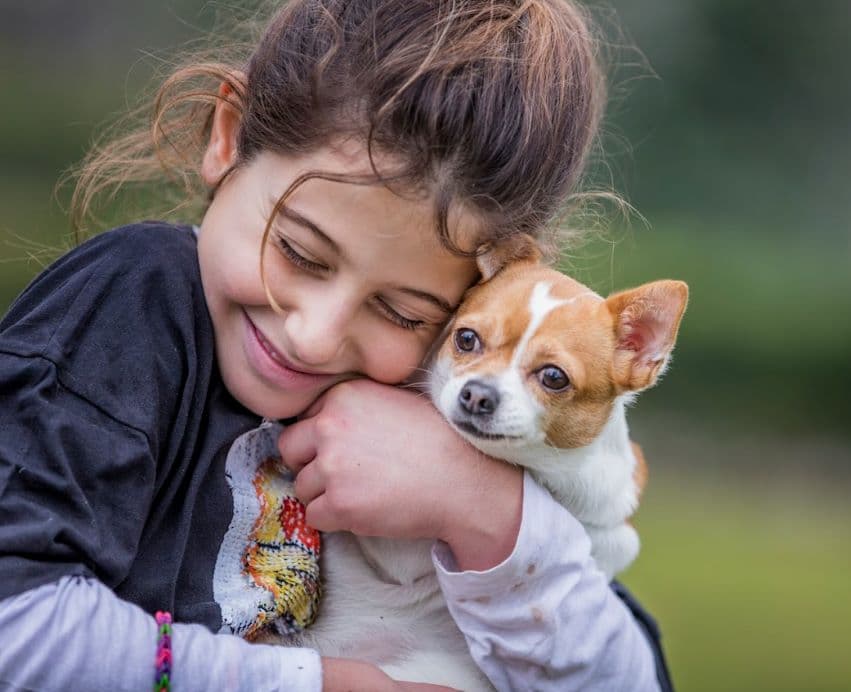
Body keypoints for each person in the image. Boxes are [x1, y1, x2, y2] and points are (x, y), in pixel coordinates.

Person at [0, 1, 672, 690]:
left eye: (401, 310)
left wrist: (486, 513)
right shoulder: (137, 303)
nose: (314, 335)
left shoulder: (443, 414)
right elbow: (13, 627)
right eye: (299, 252)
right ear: (228, 136)